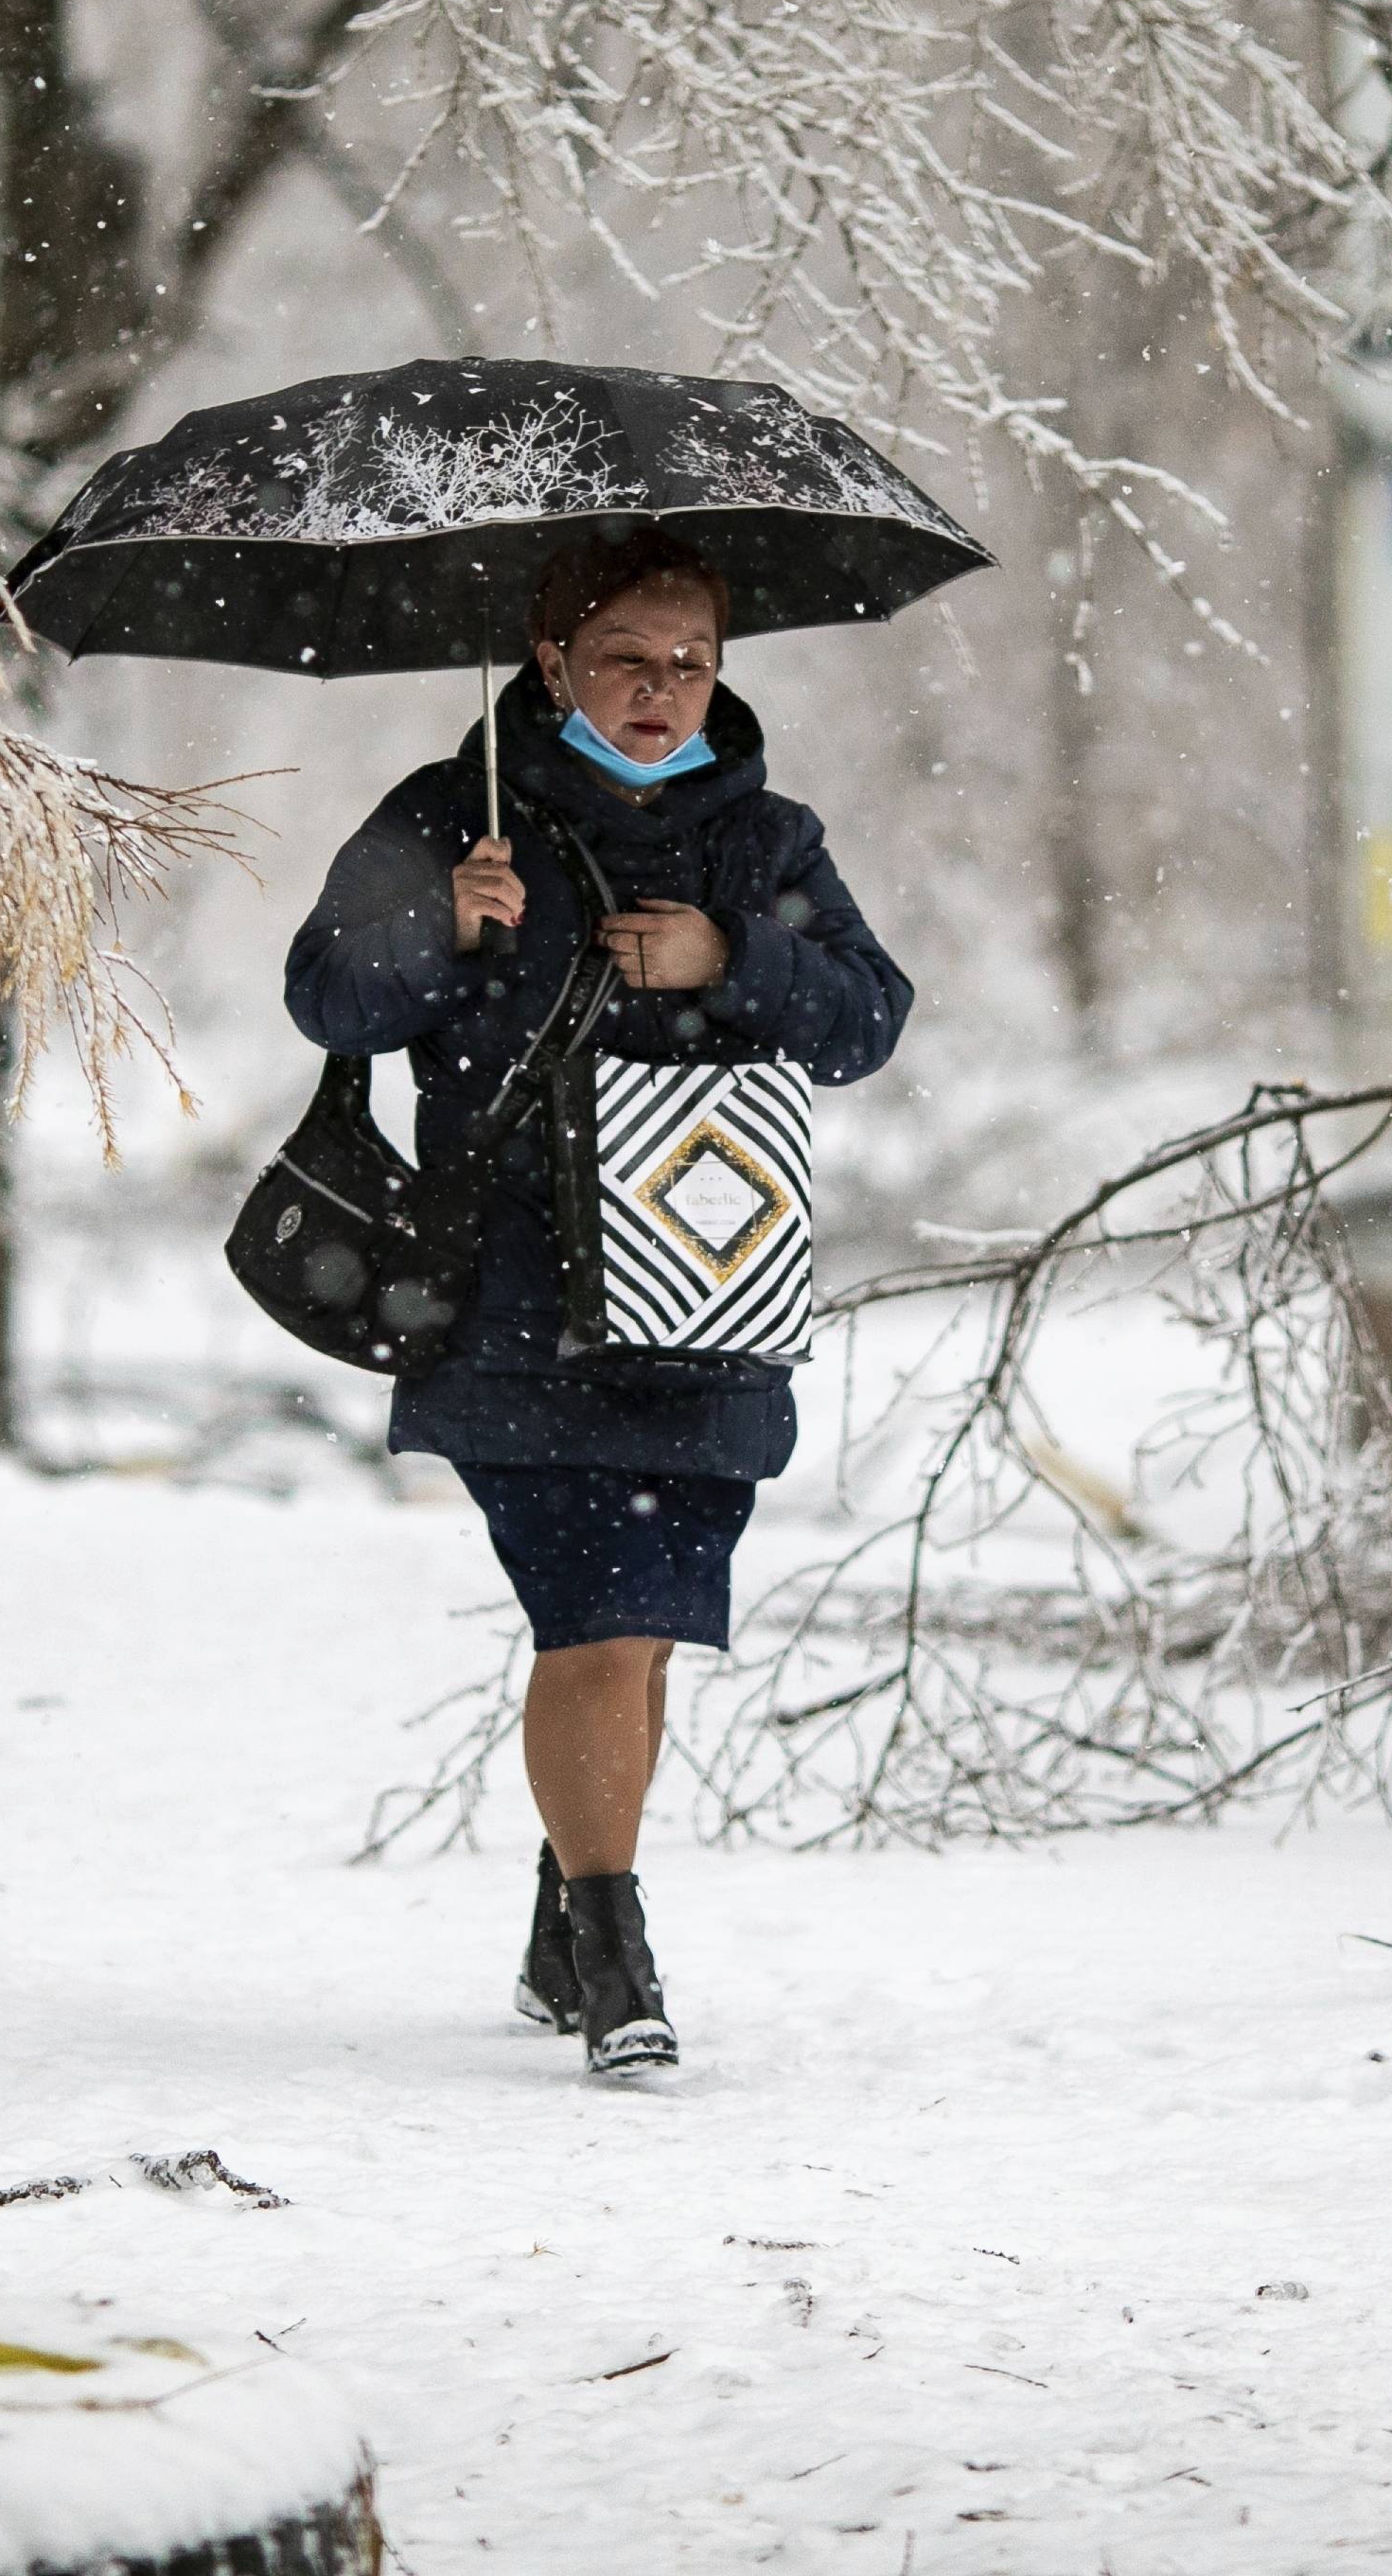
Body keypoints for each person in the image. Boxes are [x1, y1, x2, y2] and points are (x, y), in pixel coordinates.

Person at [285, 523, 913, 2076]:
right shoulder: (453, 814)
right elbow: (326, 996)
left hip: (706, 1300)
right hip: (514, 1305)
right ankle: (619, 1950)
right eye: (626, 657)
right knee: (598, 1615)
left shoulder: (767, 843)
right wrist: (441, 920)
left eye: (691, 661)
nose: (662, 690)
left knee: (639, 1639)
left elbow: (868, 1021)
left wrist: (734, 955)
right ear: (550, 661)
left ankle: (561, 1925)